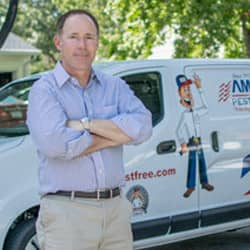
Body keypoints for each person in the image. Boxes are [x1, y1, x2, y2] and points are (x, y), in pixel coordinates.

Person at [27, 9, 152, 250]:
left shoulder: (114, 86)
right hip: (67, 213)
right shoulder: (45, 90)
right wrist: (115, 135)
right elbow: (55, 145)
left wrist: (86, 125)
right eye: (74, 36)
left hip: (116, 209)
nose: (82, 45)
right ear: (58, 42)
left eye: (89, 37)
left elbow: (144, 127)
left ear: (97, 42)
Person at [176, 73, 214, 198]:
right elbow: (179, 130)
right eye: (185, 90)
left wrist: (200, 88)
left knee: (202, 161)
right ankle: (191, 186)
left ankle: (205, 182)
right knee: (192, 163)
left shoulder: (196, 112)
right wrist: (182, 144)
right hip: (192, 141)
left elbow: (207, 108)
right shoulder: (184, 115)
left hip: (199, 140)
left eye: (189, 89)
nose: (189, 92)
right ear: (180, 94)